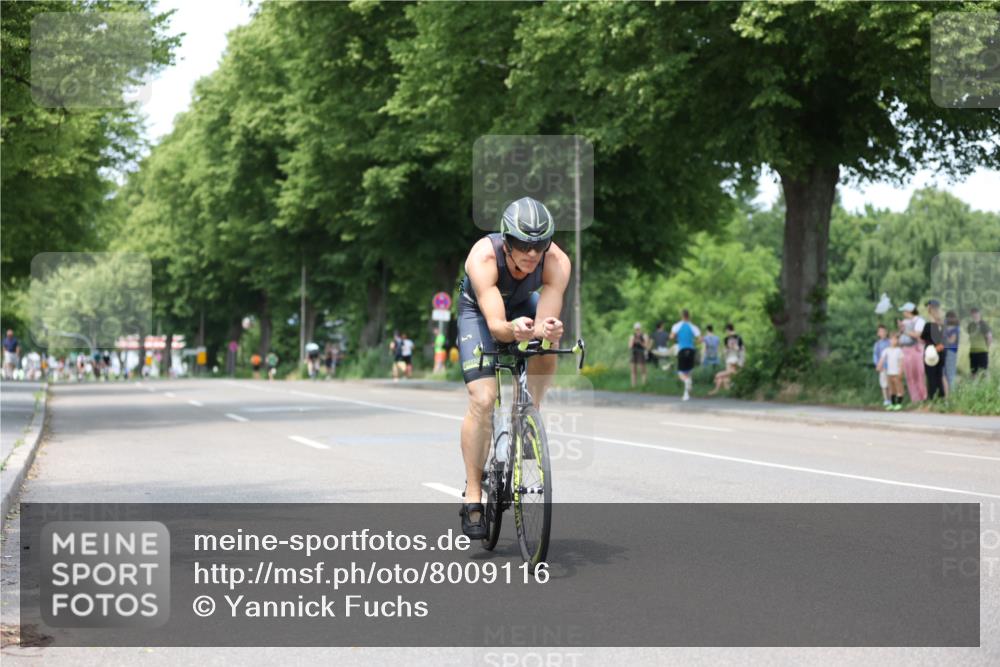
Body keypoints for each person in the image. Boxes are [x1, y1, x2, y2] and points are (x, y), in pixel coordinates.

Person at [455, 196, 569, 539]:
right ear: (506, 240)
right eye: (522, 244)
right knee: (483, 399)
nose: (532, 253)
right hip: (480, 314)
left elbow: (544, 322)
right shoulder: (483, 257)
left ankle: (530, 412)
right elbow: (496, 327)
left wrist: (546, 330)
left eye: (540, 245)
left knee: (547, 343)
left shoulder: (557, 261)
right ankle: (473, 493)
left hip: (523, 305)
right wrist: (513, 330)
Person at [897, 302, 927, 402]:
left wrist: (904, 330)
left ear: (909, 311)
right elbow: (901, 335)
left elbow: (917, 335)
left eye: (904, 311)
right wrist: (901, 329)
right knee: (910, 376)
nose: (903, 313)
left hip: (916, 350)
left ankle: (923, 398)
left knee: (919, 375)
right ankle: (915, 399)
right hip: (906, 350)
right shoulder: (905, 322)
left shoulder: (919, 321)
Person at [670, 309, 701, 401]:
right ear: (689, 316)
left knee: (681, 373)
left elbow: (671, 336)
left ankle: (686, 383)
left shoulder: (677, 326)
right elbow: (700, 339)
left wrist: (677, 338)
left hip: (682, 350)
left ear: (681, 315)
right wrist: (693, 342)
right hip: (691, 350)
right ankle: (686, 394)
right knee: (688, 372)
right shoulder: (693, 327)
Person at [921, 299, 946, 400]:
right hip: (940, 351)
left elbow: (923, 337)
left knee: (931, 376)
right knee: (939, 376)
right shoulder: (942, 325)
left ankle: (933, 398)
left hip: (931, 352)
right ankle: (941, 398)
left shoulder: (928, 326)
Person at [709, 323, 744, 395]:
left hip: (735, 358)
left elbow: (741, 350)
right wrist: (726, 350)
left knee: (727, 374)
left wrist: (741, 360)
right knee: (725, 378)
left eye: (726, 331)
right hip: (729, 358)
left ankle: (718, 376)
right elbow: (725, 350)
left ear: (728, 330)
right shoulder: (727, 339)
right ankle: (718, 390)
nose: (726, 332)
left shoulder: (738, 338)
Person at [877, 332, 905, 411]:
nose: (893, 341)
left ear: (897, 341)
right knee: (891, 389)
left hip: (896, 372)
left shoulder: (899, 350)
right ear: (889, 340)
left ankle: (899, 403)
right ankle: (892, 404)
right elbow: (882, 359)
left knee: (899, 388)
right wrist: (879, 366)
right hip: (889, 372)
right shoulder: (887, 350)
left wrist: (901, 371)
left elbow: (901, 362)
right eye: (892, 339)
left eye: (895, 339)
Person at [967, 307, 992, 375]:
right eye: (973, 313)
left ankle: (988, 382)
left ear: (979, 314)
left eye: (976, 313)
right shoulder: (970, 325)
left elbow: (989, 337)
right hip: (973, 351)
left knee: (984, 371)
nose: (974, 315)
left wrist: (987, 347)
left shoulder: (983, 324)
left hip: (982, 351)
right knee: (973, 371)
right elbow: (970, 336)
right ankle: (973, 382)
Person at [872, 324, 891, 407]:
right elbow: (875, 355)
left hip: (891, 366)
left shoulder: (890, 342)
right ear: (878, 333)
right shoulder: (877, 344)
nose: (882, 333)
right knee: (884, 384)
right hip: (882, 367)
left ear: (886, 332)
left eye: (884, 331)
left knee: (891, 384)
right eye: (881, 332)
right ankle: (886, 400)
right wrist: (877, 365)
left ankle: (891, 399)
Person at [943, 310, 960, 393]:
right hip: (945, 351)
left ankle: (952, 394)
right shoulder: (947, 327)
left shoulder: (955, 329)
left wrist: (943, 335)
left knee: (950, 374)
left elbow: (951, 341)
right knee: (945, 374)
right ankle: (947, 393)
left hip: (951, 351)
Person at [629, 322, 649, 388]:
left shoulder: (644, 335)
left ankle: (644, 385)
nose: (637, 330)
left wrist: (640, 342)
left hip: (641, 352)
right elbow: (629, 346)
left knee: (643, 370)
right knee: (633, 370)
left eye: (638, 329)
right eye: (636, 329)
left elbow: (646, 346)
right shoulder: (632, 336)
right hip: (634, 353)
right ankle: (633, 386)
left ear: (640, 328)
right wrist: (633, 341)